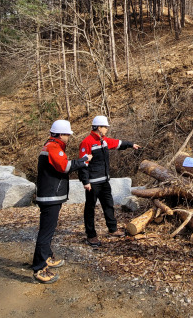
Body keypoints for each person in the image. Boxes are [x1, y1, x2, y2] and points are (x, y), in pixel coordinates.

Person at [32, 119, 92, 284]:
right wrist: (83, 160)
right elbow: (65, 167)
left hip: (51, 195)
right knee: (46, 233)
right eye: (66, 134)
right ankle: (39, 268)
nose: (68, 137)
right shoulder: (53, 147)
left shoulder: (53, 146)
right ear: (59, 134)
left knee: (49, 231)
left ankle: (47, 257)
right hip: (50, 197)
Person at [78, 115, 140, 247]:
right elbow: (83, 163)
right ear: (98, 128)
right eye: (105, 127)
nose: (106, 129)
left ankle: (112, 229)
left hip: (104, 181)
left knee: (108, 205)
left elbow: (117, 143)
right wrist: (85, 181)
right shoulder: (87, 142)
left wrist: (130, 144)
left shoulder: (103, 141)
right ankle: (91, 235)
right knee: (90, 209)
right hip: (93, 183)